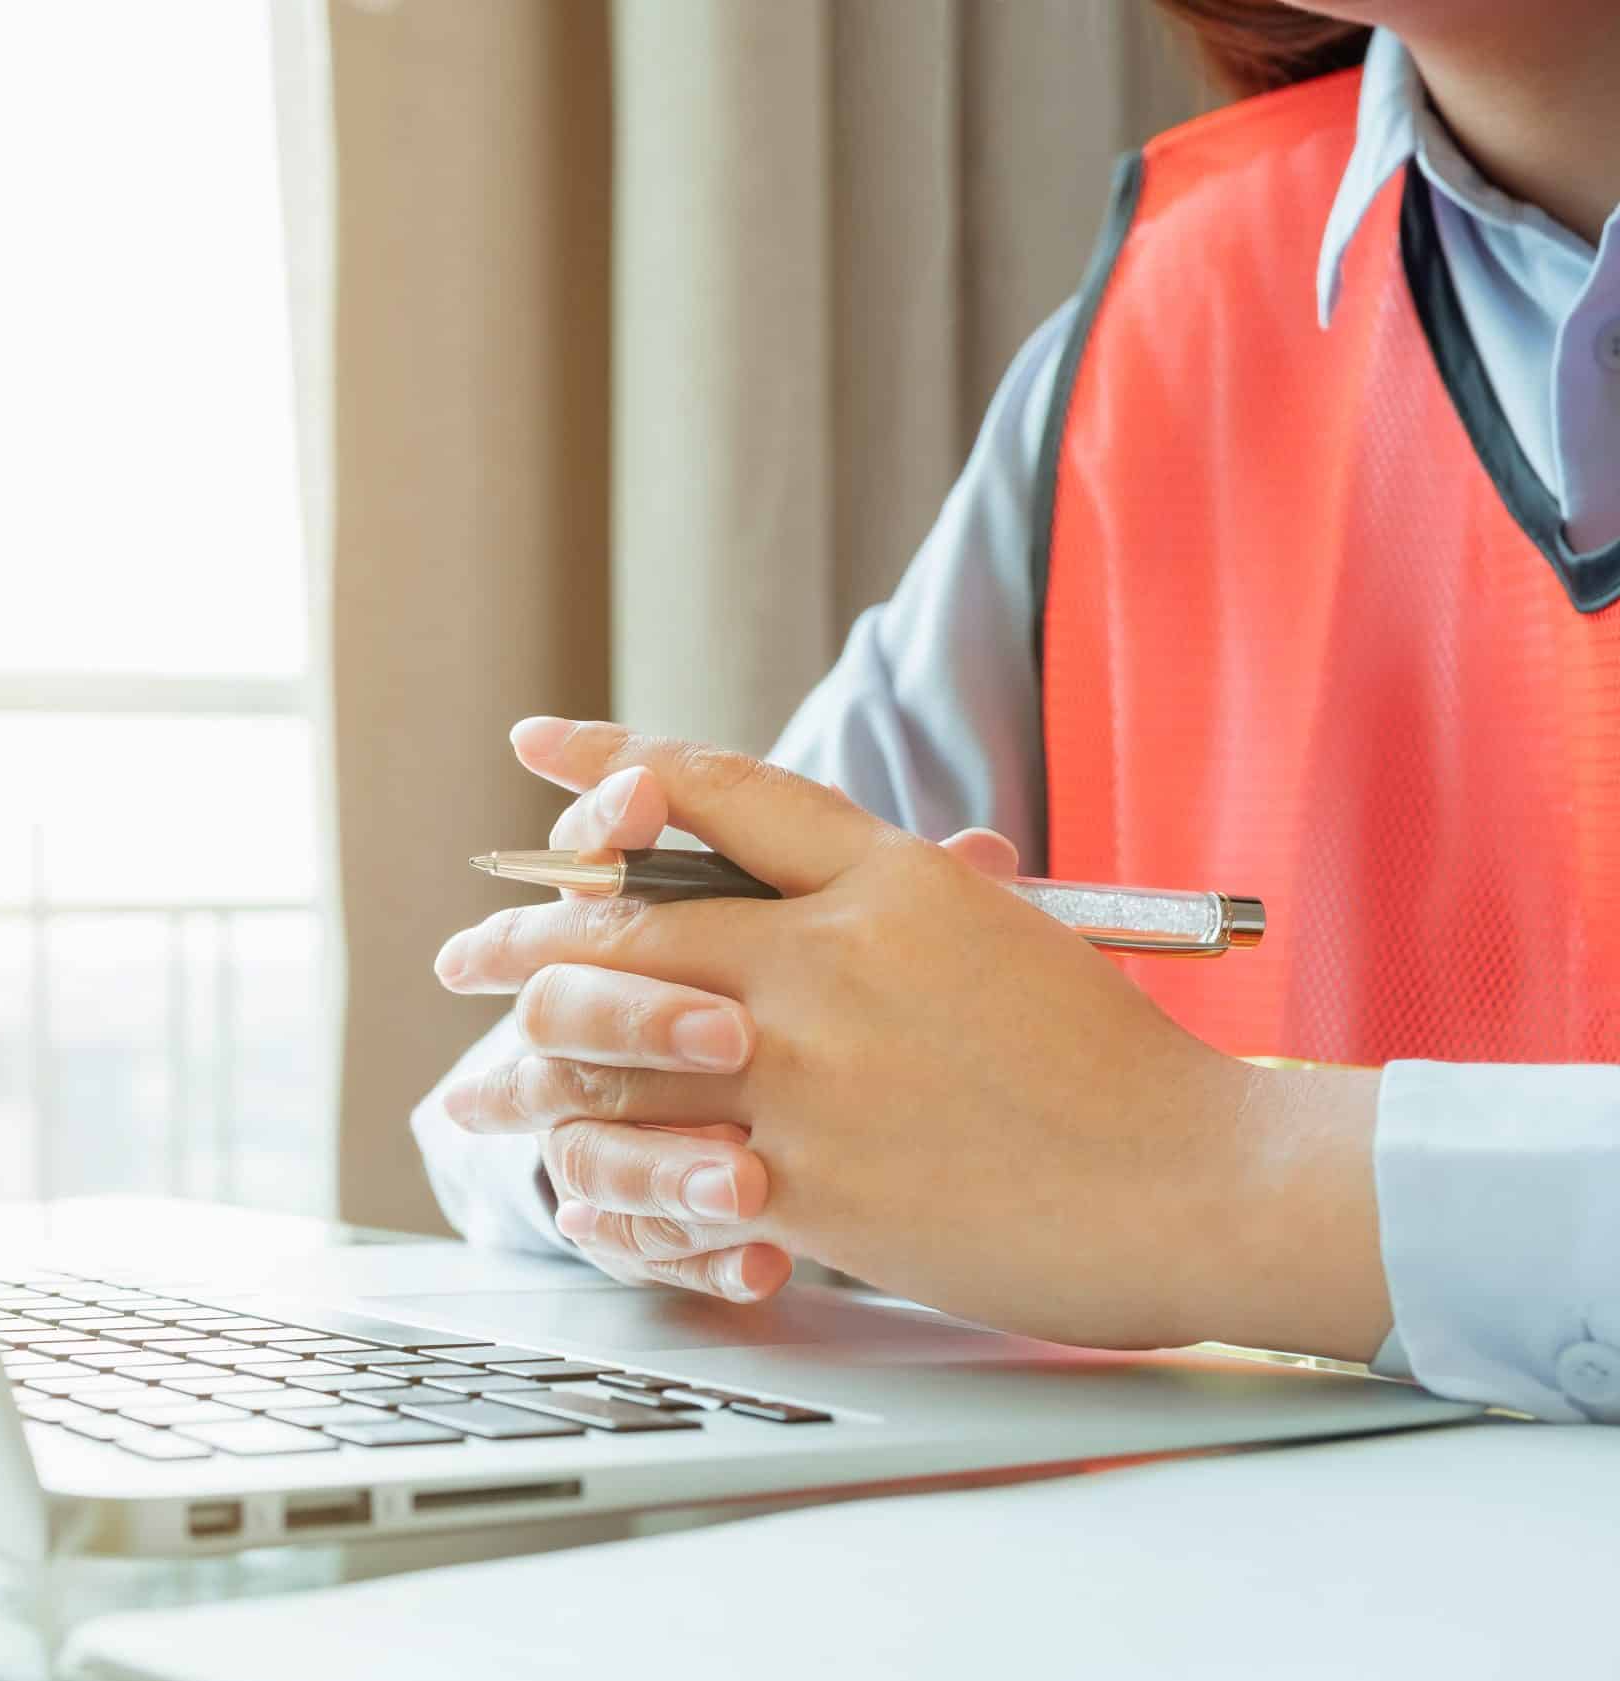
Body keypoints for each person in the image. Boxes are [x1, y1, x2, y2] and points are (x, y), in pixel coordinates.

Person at [413, 0, 1620, 1423]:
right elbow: (511, 1100)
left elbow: (1158, 1168)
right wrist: (651, 1128)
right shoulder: (1168, 313)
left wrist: (1203, 1174)